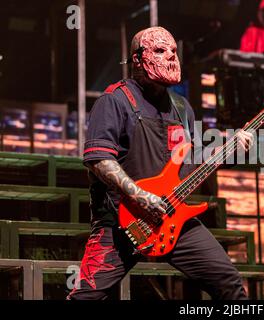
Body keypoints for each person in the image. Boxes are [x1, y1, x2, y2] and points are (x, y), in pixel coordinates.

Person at [67, 27, 254, 300]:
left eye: (174, 51)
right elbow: (98, 159)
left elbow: (191, 162)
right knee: (87, 297)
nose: (170, 57)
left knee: (230, 285)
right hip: (121, 223)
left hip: (172, 219)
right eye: (159, 50)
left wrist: (231, 150)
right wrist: (139, 196)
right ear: (137, 59)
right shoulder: (114, 100)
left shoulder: (182, 108)